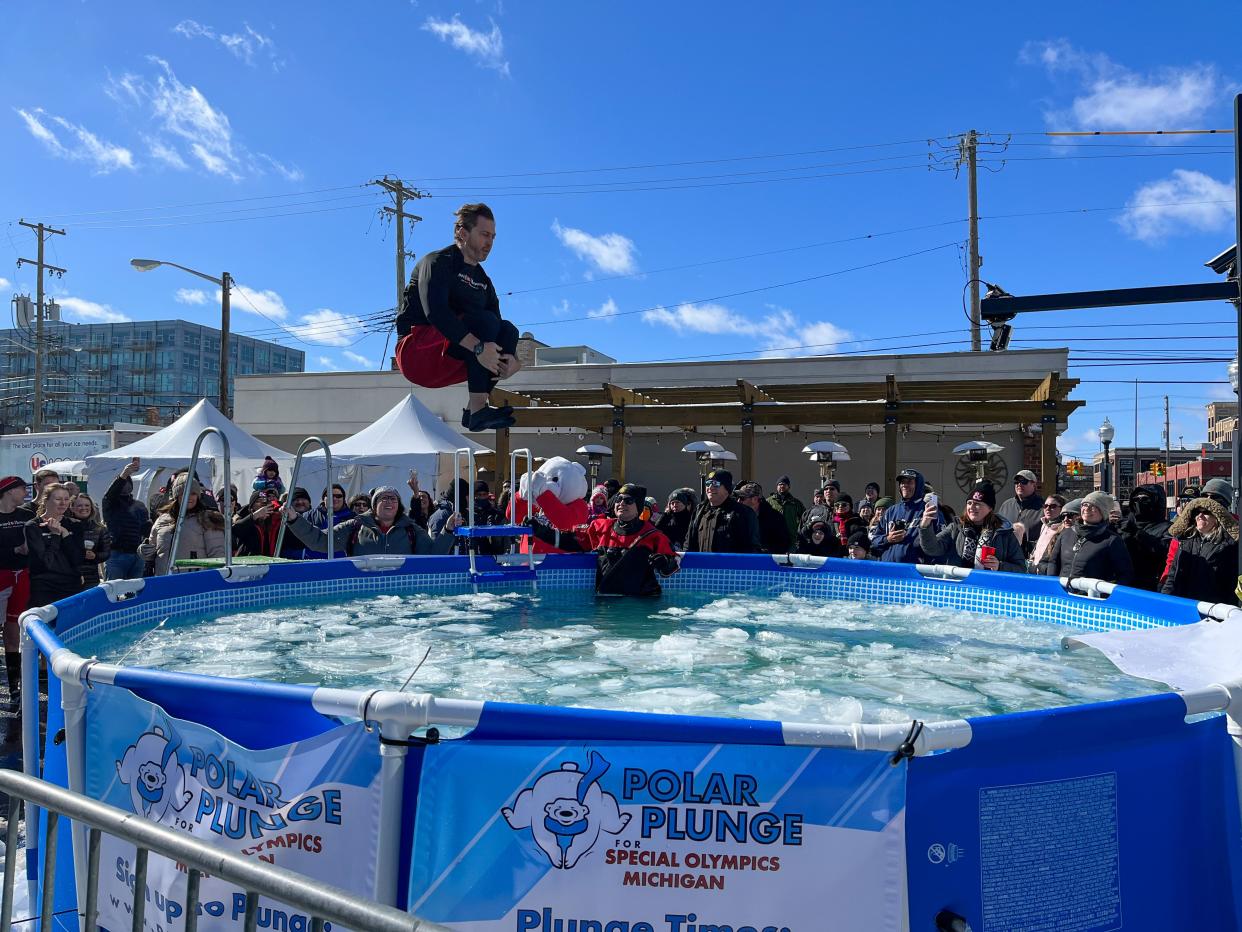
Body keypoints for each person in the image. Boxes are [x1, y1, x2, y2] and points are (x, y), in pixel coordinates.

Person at [395, 203, 521, 431]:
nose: (489, 243)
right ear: (463, 233)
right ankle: (478, 408)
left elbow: (498, 334)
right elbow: (436, 313)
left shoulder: (484, 282)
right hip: (417, 353)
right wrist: (480, 349)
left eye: (493, 236)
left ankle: (475, 413)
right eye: (484, 234)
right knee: (484, 321)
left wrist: (513, 361)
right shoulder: (437, 262)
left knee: (508, 330)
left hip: (452, 358)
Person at [528, 483, 678, 596]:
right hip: (607, 600)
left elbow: (673, 564)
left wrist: (664, 562)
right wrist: (541, 531)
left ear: (638, 507)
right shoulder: (600, 528)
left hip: (641, 603)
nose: (622, 504)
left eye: (628, 500)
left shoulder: (652, 534)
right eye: (619, 499)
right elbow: (572, 541)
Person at [285, 486, 458, 557]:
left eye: (393, 499)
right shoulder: (354, 527)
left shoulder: (411, 530)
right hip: (362, 596)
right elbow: (321, 542)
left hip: (401, 597)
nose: (389, 502)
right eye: (384, 498)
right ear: (374, 506)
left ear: (399, 505)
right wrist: (294, 519)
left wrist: (448, 531)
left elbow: (434, 554)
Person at [918, 480, 1025, 573]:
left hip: (989, 589)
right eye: (969, 503)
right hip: (960, 588)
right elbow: (932, 549)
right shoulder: (956, 527)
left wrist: (1000, 566)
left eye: (978, 504)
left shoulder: (1004, 533)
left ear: (990, 508)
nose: (972, 507)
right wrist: (925, 525)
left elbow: (1021, 568)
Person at [140, 475, 227, 575]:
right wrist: (145, 550)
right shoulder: (162, 520)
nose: (189, 497)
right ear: (176, 495)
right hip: (163, 581)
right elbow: (152, 549)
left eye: (193, 493)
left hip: (193, 582)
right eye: (184, 493)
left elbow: (217, 556)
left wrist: (209, 580)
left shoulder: (207, 520)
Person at [1042, 491, 1134, 585]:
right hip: (1064, 595)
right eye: (1084, 504)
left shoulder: (1112, 540)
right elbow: (1053, 562)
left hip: (1090, 596)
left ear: (1103, 511)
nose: (1087, 508)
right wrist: (1053, 584)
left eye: (1094, 506)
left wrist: (1103, 593)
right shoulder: (1067, 533)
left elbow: (1125, 574)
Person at [1161, 496, 1238, 605]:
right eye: (1197, 512)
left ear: (1217, 517)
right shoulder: (1185, 541)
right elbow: (1172, 576)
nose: (1200, 516)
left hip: (1211, 610)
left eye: (1206, 512)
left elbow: (1231, 585)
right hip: (1183, 604)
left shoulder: (1228, 545)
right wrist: (1164, 600)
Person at [25, 483, 86, 607]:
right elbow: (44, 563)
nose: (63, 503)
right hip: (45, 587)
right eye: (58, 499)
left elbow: (78, 559)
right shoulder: (33, 526)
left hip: (71, 585)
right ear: (46, 501)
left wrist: (65, 534)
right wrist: (55, 535)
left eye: (66, 499)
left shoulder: (75, 524)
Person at [0, 476, 33, 698]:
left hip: (22, 576)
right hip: (1, 576)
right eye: (22, 488)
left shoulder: (27, 516)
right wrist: (14, 551)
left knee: (14, 631)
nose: (26, 492)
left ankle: (14, 686)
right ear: (10, 491)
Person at [870, 469, 939, 564]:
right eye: (902, 482)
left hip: (914, 572)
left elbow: (939, 544)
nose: (904, 485)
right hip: (888, 569)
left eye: (909, 482)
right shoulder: (891, 511)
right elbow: (874, 542)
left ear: (918, 485)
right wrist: (887, 539)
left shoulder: (928, 511)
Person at [685, 470, 760, 553]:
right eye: (708, 483)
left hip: (730, 565)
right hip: (702, 564)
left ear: (727, 489)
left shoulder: (742, 513)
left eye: (715, 484)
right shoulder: (699, 510)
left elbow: (752, 547)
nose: (710, 487)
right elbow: (688, 543)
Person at [101, 458, 152, 581]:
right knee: (113, 590)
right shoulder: (110, 503)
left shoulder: (139, 505)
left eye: (128, 481)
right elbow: (111, 493)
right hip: (117, 554)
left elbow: (146, 528)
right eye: (123, 482)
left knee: (135, 592)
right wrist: (124, 474)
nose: (126, 484)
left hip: (137, 555)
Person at [1119, 484, 1172, 591]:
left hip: (1150, 585)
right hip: (1123, 583)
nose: (1139, 502)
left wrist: (1140, 535)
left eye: (1145, 499)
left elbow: (1165, 551)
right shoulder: (1125, 524)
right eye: (1136, 499)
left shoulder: (1168, 528)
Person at [67, 493, 111, 587]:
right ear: (72, 508)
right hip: (69, 577)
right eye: (79, 505)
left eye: (87, 505)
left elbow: (106, 553)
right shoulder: (65, 526)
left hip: (91, 578)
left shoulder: (100, 528)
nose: (84, 508)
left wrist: (95, 556)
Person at [735, 481, 790, 554]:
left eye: (742, 498)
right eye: (738, 498)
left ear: (754, 499)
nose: (738, 501)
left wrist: (762, 552)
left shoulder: (775, 519)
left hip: (765, 562)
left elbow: (783, 545)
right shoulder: (737, 516)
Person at [998, 470, 1043, 553]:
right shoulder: (1006, 505)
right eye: (1016, 482)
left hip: (1030, 558)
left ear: (1034, 484)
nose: (1019, 484)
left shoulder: (1043, 507)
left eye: (1024, 481)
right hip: (1006, 556)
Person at [233, 489, 284, 558]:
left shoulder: (276, 521)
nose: (262, 503)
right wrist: (256, 515)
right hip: (249, 564)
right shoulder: (246, 521)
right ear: (251, 507)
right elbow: (235, 530)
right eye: (258, 501)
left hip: (271, 563)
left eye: (265, 501)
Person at [1029, 495, 1065, 567]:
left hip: (1050, 571)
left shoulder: (1064, 528)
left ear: (1062, 509)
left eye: (1053, 506)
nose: (1048, 509)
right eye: (1045, 506)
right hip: (1036, 570)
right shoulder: (1044, 525)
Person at [766, 475, 805, 542]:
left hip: (791, 537)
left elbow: (804, 518)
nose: (782, 486)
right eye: (780, 484)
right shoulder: (768, 501)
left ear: (789, 487)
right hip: (773, 536)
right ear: (776, 487)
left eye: (784, 484)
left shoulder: (796, 503)